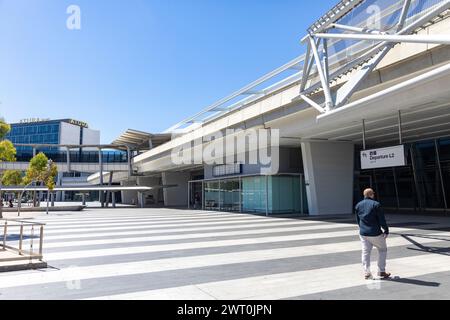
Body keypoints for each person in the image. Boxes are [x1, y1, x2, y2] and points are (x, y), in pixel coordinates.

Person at [355, 188, 391, 280]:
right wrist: (386, 230)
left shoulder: (358, 205)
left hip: (363, 233)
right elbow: (381, 219)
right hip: (375, 233)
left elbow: (358, 220)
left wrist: (362, 228)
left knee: (365, 252)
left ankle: (367, 272)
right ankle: (381, 271)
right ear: (372, 194)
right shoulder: (376, 204)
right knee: (382, 250)